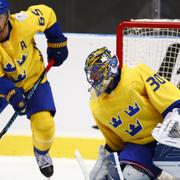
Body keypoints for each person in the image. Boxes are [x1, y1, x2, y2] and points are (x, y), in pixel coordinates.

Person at [84, 47, 180, 179]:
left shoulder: (135, 73)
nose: (94, 79)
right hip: (140, 147)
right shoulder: (96, 105)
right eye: (92, 75)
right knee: (130, 175)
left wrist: (175, 120)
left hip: (166, 137)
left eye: (97, 73)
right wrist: (107, 158)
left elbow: (172, 101)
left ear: (110, 67)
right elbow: (115, 144)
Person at [0, 0, 68, 178]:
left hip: (32, 80)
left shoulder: (24, 22)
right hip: (3, 86)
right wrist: (11, 93)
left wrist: (56, 40)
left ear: (7, 16)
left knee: (44, 126)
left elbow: (47, 13)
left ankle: (42, 152)